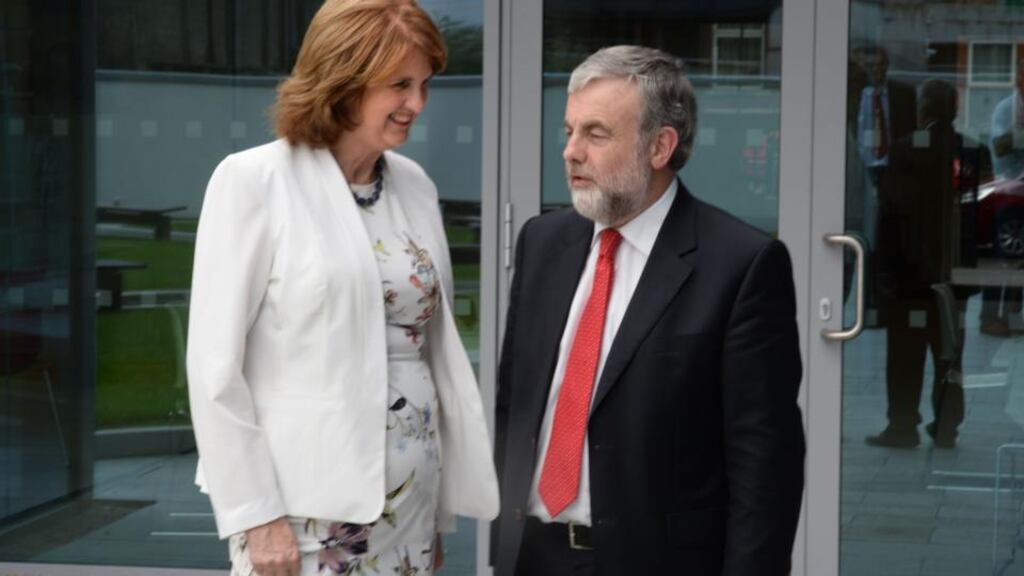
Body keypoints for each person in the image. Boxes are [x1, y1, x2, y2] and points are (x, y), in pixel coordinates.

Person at [186, 1, 498, 574]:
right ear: (344, 80)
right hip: (305, 514)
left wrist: (432, 500)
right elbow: (214, 370)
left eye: (425, 84)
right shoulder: (253, 182)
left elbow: (430, 347)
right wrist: (256, 515)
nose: (418, 104)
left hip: (412, 500)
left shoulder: (415, 185)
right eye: (400, 84)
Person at [492, 45, 805, 576]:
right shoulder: (542, 243)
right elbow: (514, 409)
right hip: (532, 556)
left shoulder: (741, 265)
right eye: (568, 131)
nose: (571, 151)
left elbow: (765, 470)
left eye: (595, 134)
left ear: (660, 146)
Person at [868, 79, 992, 449]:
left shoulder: (906, 149)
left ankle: (902, 425)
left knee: (905, 354)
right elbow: (980, 213)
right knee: (949, 353)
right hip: (954, 275)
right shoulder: (975, 151)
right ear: (954, 109)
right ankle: (947, 426)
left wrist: (884, 272)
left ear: (923, 110)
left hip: (911, 277)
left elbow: (890, 216)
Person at [979, 57, 1024, 336]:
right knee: (1001, 255)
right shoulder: (1006, 108)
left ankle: (1012, 314)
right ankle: (989, 316)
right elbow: (999, 146)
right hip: (1009, 193)